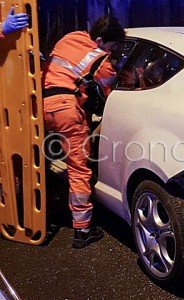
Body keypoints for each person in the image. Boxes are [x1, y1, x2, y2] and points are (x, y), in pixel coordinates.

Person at [42, 16, 125, 248]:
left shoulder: (70, 37)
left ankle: (31, 207)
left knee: (36, 158)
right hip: (66, 108)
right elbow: (111, 85)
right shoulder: (101, 58)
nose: (111, 51)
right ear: (100, 40)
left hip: (40, 105)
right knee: (78, 168)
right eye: (111, 46)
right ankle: (83, 230)